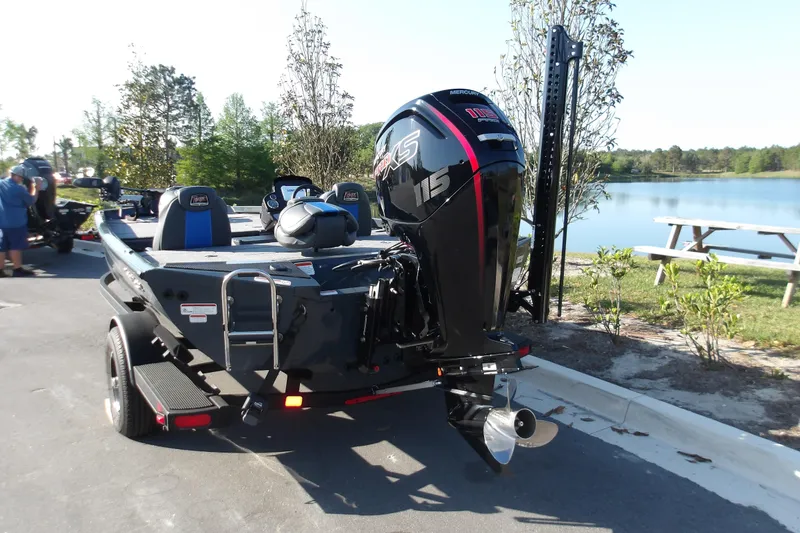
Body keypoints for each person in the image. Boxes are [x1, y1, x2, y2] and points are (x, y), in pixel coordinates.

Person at [0, 165, 40, 277]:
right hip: (16, 222)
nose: (22, 180)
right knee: (15, 247)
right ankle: (17, 269)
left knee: (1, 247)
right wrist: (37, 188)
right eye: (21, 177)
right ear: (15, 176)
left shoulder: (1, 184)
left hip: (2, 222)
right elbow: (32, 200)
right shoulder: (19, 189)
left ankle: (0, 270)